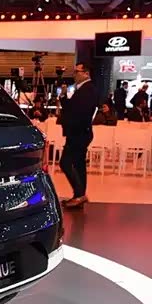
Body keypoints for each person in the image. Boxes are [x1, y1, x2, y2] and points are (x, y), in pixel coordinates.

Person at [59, 62, 98, 209]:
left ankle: (80, 194)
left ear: (86, 73)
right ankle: (79, 196)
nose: (74, 74)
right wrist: (63, 96)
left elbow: (80, 113)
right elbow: (71, 108)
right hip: (79, 132)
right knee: (78, 164)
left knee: (66, 162)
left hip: (79, 133)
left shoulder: (88, 90)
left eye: (77, 71)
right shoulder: (82, 89)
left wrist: (70, 125)